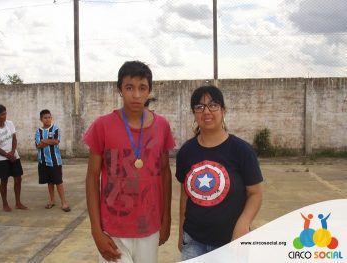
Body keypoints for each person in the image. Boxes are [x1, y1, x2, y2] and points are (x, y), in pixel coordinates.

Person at [83, 60, 174, 263]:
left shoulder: (162, 126)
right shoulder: (102, 126)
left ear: (149, 90)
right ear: (119, 90)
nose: (136, 95)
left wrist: (166, 218)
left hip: (149, 226)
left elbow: (165, 173)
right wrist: (96, 231)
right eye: (129, 88)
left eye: (142, 88)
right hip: (113, 228)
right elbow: (91, 178)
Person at [175, 85, 263, 260]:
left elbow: (255, 193)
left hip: (231, 242)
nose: (206, 111)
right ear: (194, 113)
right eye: (199, 107)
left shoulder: (241, 150)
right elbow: (185, 195)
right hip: (193, 242)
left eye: (213, 105)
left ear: (223, 110)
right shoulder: (186, 152)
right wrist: (181, 234)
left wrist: (243, 224)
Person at [35, 109, 70, 212]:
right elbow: (38, 145)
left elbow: (56, 141)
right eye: (45, 118)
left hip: (55, 161)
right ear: (41, 119)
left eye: (49, 117)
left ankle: (64, 202)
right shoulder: (38, 131)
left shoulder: (55, 129)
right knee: (49, 182)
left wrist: (44, 140)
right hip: (43, 161)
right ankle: (52, 200)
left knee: (58, 181)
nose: (47, 119)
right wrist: (48, 141)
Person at [0, 104, 27, 212]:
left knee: (18, 178)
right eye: (2, 115)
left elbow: (14, 139)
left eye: (5, 113)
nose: (4, 116)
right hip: (1, 159)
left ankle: (18, 202)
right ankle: (5, 204)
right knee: (4, 181)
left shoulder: (9, 123)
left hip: (14, 156)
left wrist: (13, 152)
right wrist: (6, 155)